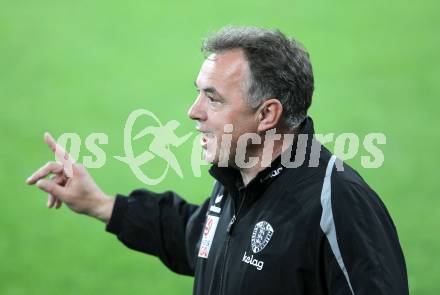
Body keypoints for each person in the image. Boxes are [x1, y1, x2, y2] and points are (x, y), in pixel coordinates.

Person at [26, 26, 409, 294]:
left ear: (267, 115)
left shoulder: (336, 201)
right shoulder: (238, 182)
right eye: (198, 94)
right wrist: (100, 204)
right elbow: (198, 240)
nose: (193, 112)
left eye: (213, 98)